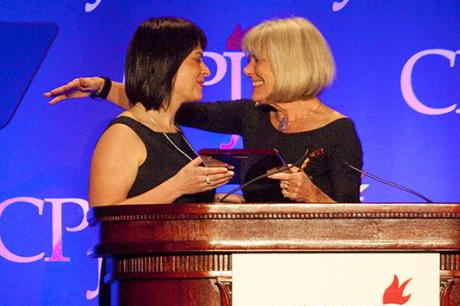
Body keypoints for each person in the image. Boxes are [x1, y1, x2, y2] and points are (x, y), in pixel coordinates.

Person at [45, 17, 362, 203]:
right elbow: (164, 104)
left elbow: (354, 226)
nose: (247, 70)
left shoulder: (338, 131)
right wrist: (104, 87)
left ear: (288, 65)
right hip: (252, 263)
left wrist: (312, 195)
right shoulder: (251, 115)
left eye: (256, 61)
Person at [84, 17, 233, 207]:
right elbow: (104, 213)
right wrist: (178, 187)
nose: (206, 71)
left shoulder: (171, 130)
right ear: (166, 62)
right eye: (197, 59)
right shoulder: (122, 135)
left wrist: (216, 198)